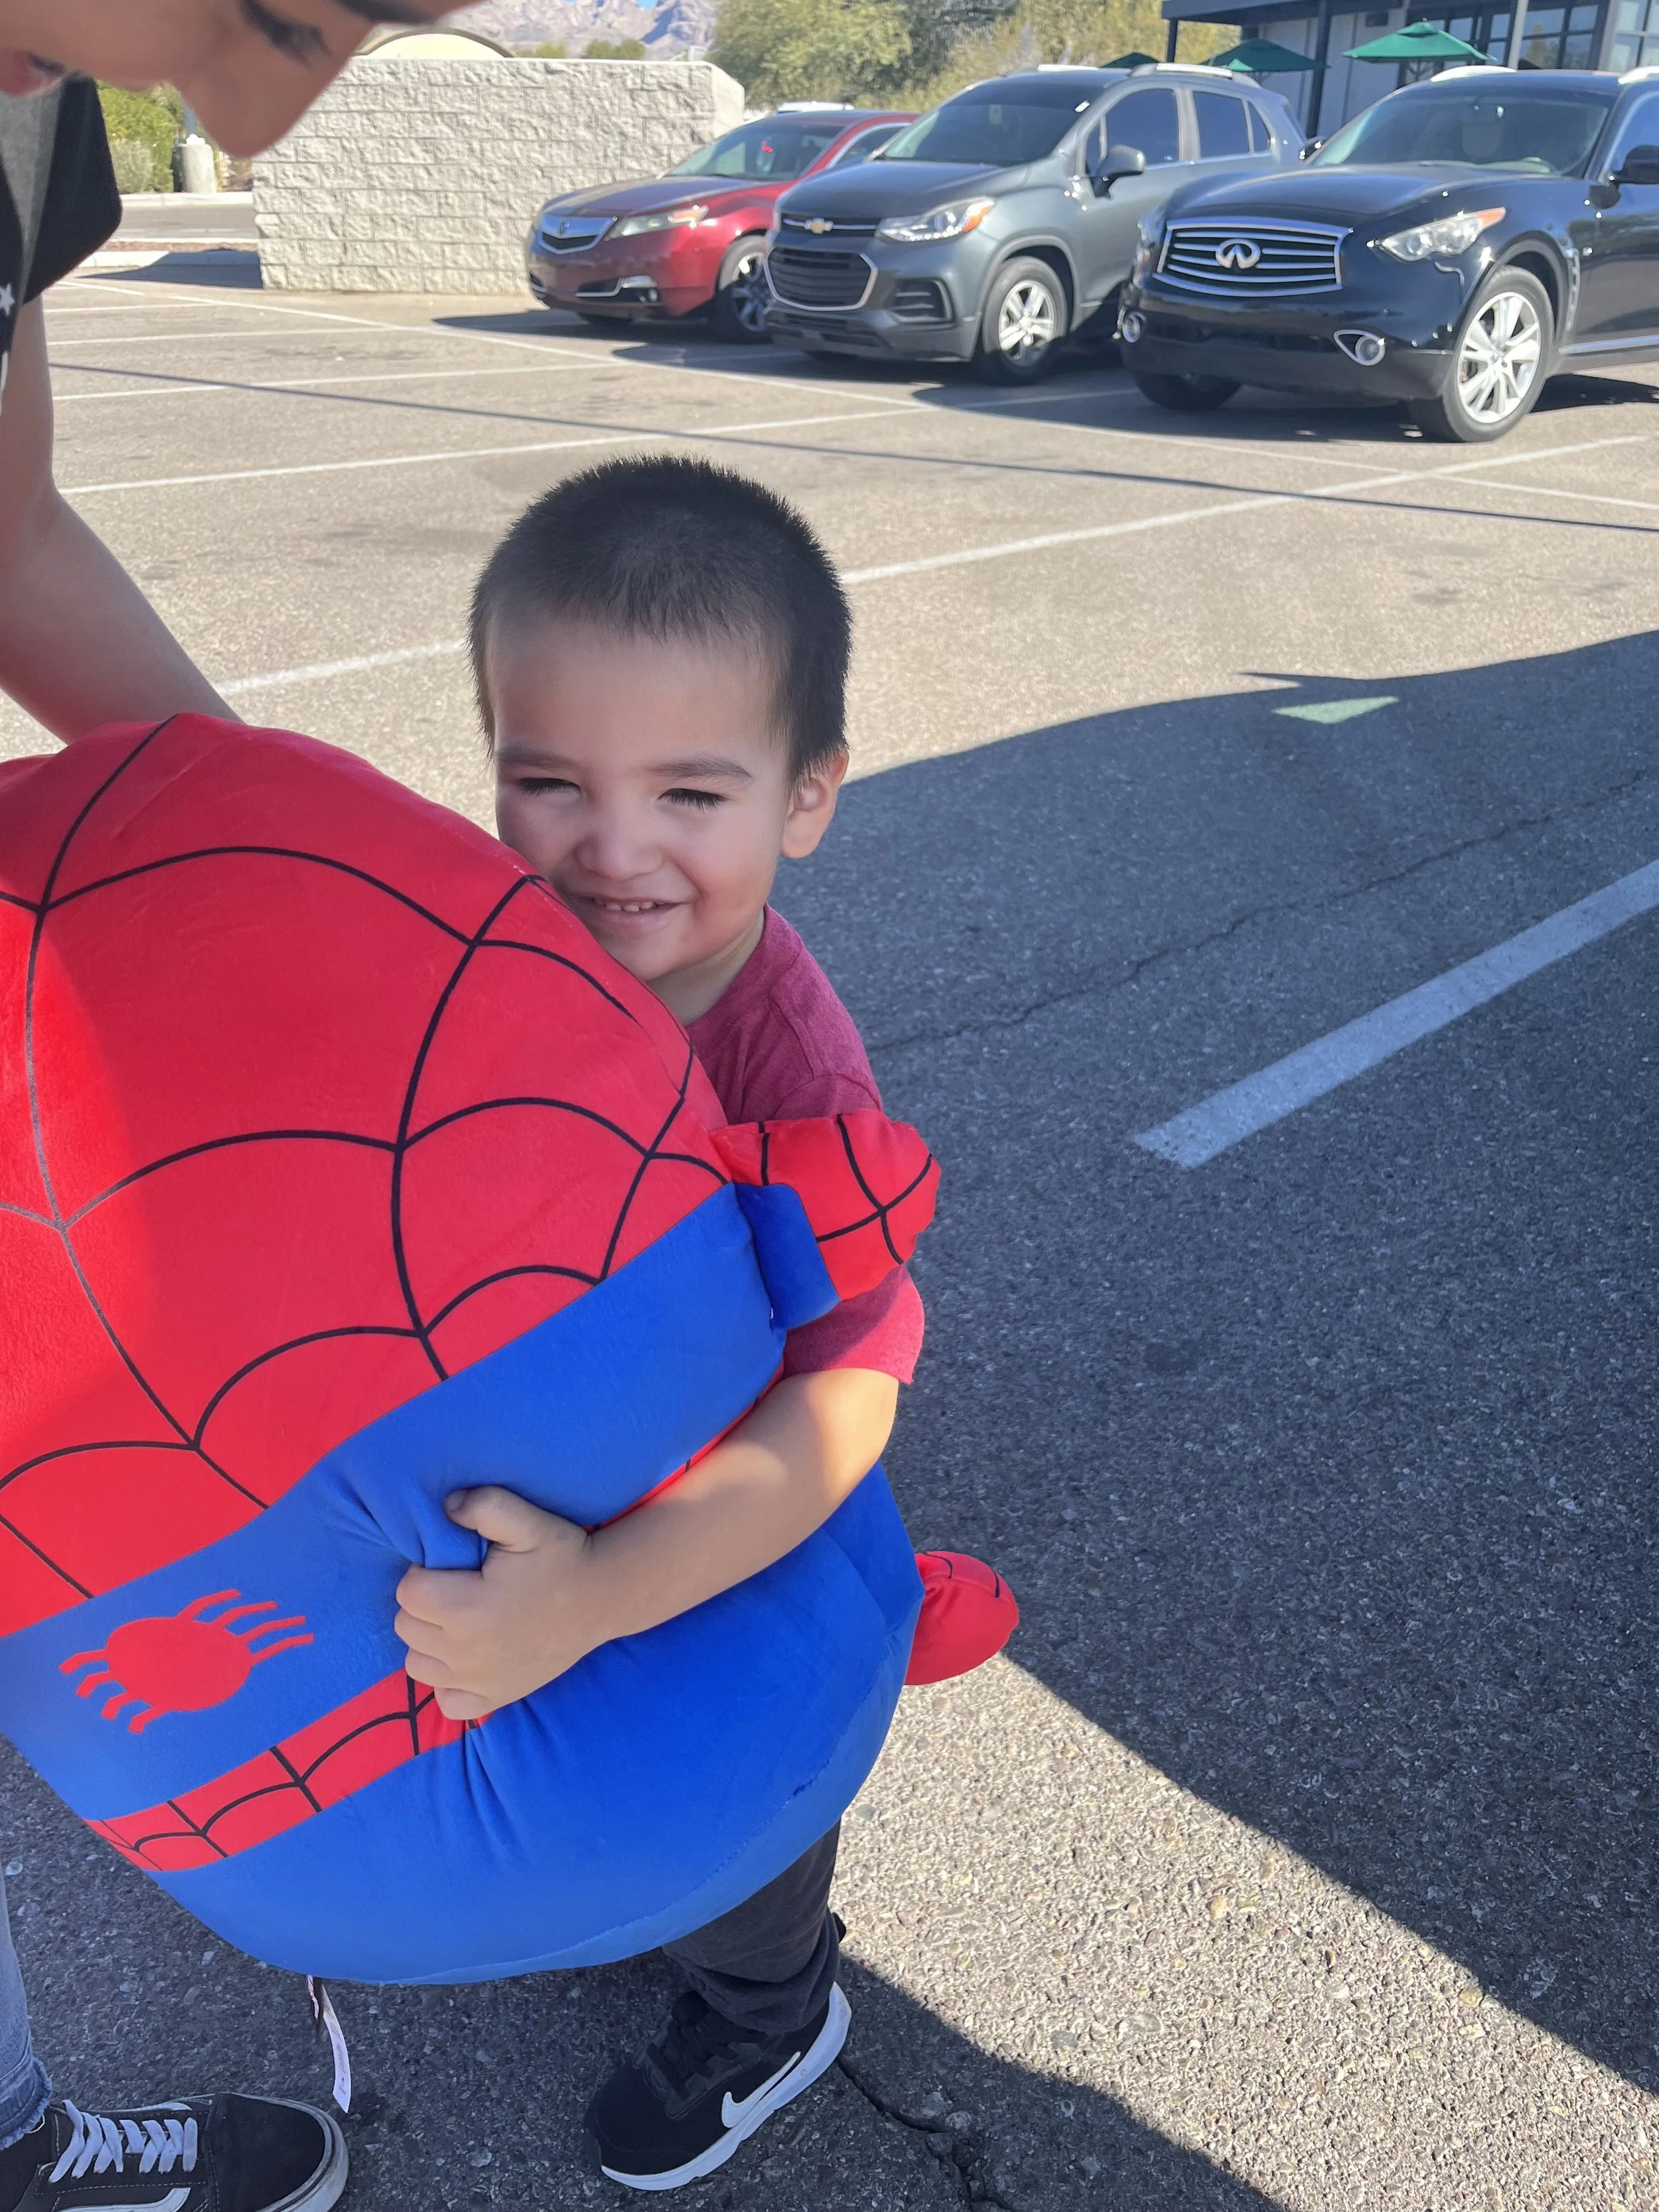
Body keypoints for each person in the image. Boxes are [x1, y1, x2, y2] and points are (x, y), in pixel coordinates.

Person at [392, 457, 1015, 2193]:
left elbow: (843, 1412)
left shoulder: (790, 1079)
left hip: (724, 1497)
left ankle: (768, 2008)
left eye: (691, 790)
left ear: (807, 795)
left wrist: (599, 1592)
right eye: (547, 783)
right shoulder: (499, 938)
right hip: (562, 1431)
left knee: (736, 1791)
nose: (612, 849)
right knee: (565, 1719)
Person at [0, 5, 466, 2206]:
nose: (276, 117)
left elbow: (7, 537)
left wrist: (320, 873)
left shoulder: (28, 104)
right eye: (280, 14)